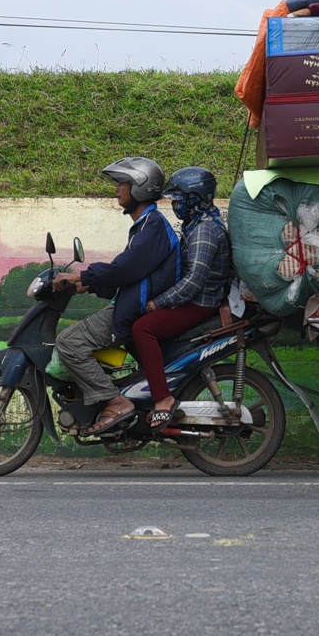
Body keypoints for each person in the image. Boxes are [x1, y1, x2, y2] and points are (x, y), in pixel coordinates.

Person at [52, 156, 179, 435]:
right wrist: (91, 283)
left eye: (124, 183)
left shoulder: (153, 226)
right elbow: (128, 273)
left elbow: (126, 269)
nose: (118, 188)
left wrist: (80, 276)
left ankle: (115, 401)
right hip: (130, 305)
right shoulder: (145, 226)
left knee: (69, 342)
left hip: (134, 310)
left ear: (140, 188)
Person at [129, 166, 234, 428]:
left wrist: (157, 303)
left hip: (200, 303)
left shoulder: (204, 231)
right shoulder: (195, 224)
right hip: (195, 298)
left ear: (196, 198)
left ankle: (163, 398)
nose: (175, 203)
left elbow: (193, 282)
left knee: (142, 328)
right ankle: (158, 380)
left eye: (179, 198)